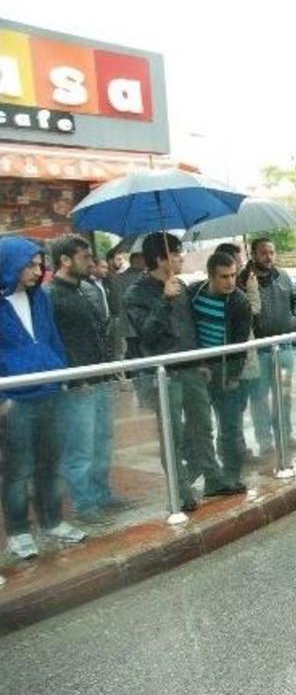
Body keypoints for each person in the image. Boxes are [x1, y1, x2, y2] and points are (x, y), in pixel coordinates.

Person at [125, 233, 241, 511]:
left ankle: (213, 479)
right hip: (163, 375)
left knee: (203, 426)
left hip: (191, 369)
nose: (181, 258)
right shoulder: (136, 293)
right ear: (160, 259)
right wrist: (163, 300)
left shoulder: (182, 286)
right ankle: (180, 491)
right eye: (176, 254)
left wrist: (200, 360)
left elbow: (190, 327)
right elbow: (148, 335)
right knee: (172, 435)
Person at [1, 236, 86, 559]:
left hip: (50, 390)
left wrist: (61, 375)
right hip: (16, 401)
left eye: (40, 264)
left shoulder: (41, 299)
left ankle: (53, 520)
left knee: (50, 463)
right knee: (17, 469)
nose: (38, 271)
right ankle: (19, 531)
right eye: (31, 265)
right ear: (10, 265)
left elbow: (52, 338)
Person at [47, 235, 128, 525]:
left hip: (99, 377)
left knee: (103, 441)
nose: (91, 263)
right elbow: (52, 341)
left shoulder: (86, 288)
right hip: (77, 383)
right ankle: (84, 503)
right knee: (80, 447)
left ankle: (102, 493)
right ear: (65, 260)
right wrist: (70, 377)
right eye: (85, 258)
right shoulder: (50, 296)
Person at [190, 252, 253, 490]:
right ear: (211, 276)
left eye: (233, 275)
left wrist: (233, 378)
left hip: (229, 374)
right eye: (224, 277)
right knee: (198, 428)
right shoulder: (194, 293)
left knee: (230, 429)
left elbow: (240, 347)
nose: (230, 282)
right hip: (200, 371)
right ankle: (208, 476)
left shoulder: (240, 301)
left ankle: (230, 477)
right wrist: (199, 365)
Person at [238, 237, 296, 457]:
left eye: (272, 252)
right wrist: (247, 287)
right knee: (259, 397)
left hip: (284, 347)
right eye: (264, 253)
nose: (269, 257)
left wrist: (294, 320)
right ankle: (264, 440)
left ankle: (285, 433)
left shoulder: (282, 276)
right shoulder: (244, 279)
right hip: (259, 349)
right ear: (254, 255)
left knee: (283, 395)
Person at [115, 250, 146, 361]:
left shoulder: (119, 278)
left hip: (126, 326)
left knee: (133, 355)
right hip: (140, 325)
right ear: (138, 261)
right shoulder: (141, 278)